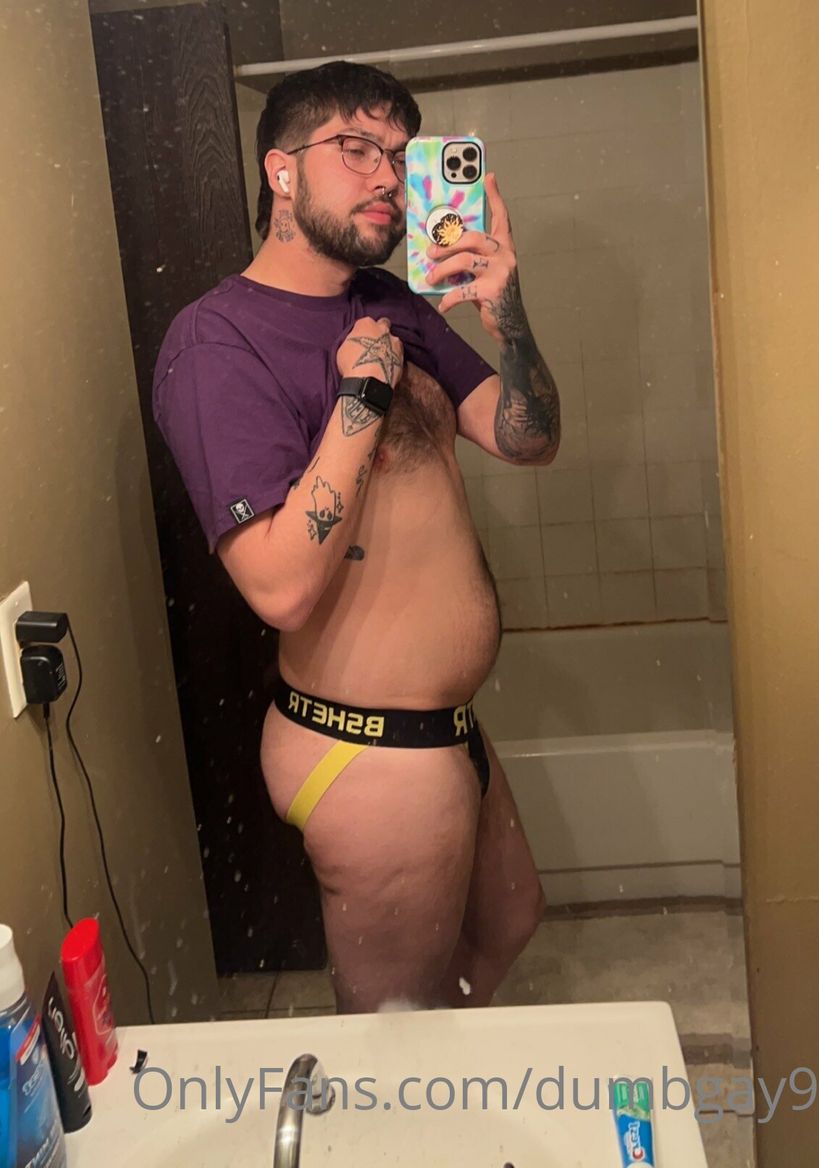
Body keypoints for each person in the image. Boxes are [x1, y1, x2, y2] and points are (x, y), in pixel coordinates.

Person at [153, 60, 561, 1013]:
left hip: (443, 728)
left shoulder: (392, 302)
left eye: (399, 155)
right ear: (280, 170)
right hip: (364, 749)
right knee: (392, 1036)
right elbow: (281, 589)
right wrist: (362, 396)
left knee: (507, 923)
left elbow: (527, 439)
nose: (387, 176)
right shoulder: (217, 342)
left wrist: (507, 318)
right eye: (355, 148)